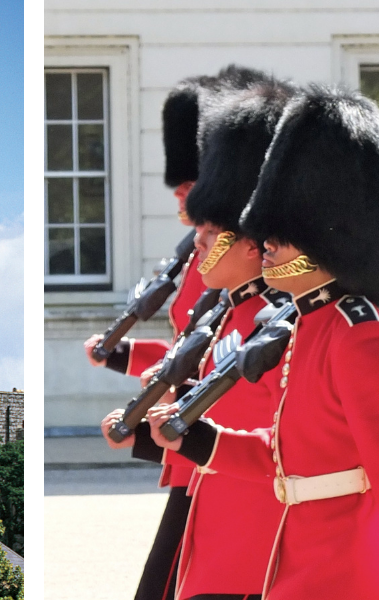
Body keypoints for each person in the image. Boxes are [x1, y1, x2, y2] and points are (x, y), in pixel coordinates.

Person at [147, 83, 379, 599]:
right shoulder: (308, 327)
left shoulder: (362, 338)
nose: (265, 242)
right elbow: (288, 455)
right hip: (292, 566)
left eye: (281, 235)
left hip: (346, 569)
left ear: (325, 239)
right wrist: (201, 441)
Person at [89, 65, 273, 600]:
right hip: (200, 456)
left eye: (193, 189)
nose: (184, 201)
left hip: (227, 474)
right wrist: (129, 371)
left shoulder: (257, 300)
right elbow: (190, 355)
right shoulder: (219, 286)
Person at [161, 79, 289, 600]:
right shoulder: (231, 311)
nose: (199, 240)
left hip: (252, 515)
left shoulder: (272, 318)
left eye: (214, 234)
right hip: (213, 496)